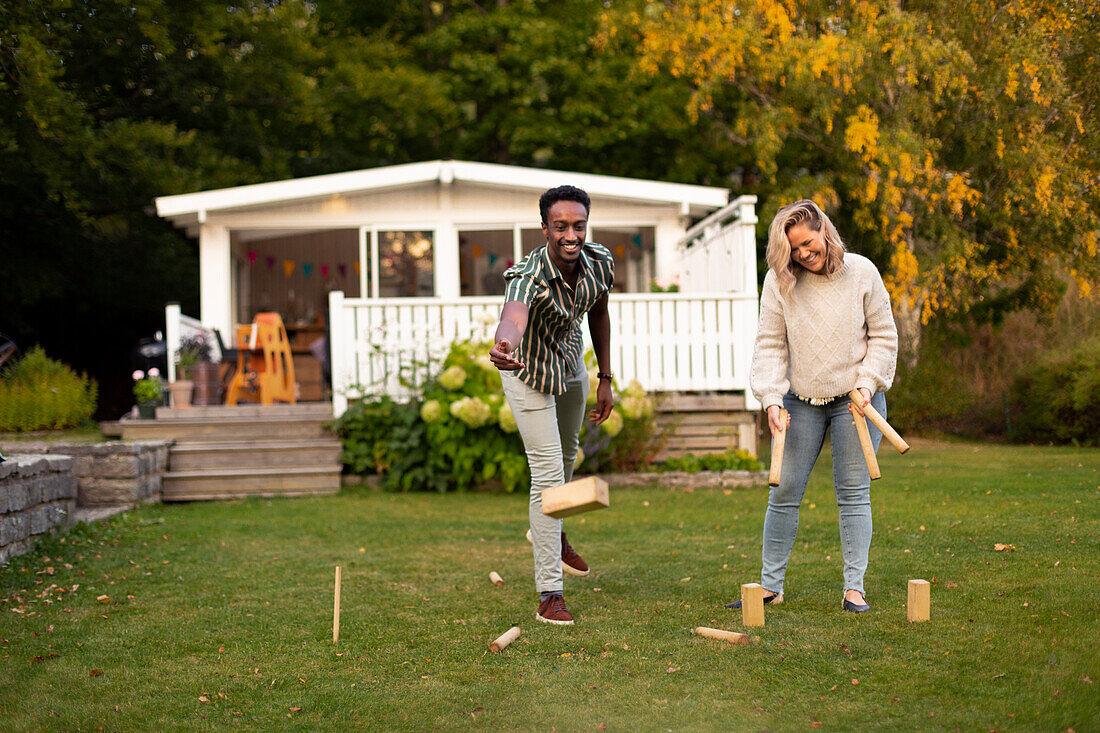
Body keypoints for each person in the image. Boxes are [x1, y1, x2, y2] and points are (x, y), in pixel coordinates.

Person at [728, 199, 898, 613]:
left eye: (808, 242)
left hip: (856, 400)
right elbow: (770, 344)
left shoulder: (862, 272)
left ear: (824, 230)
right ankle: (771, 586)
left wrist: (867, 384)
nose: (804, 253)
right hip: (798, 401)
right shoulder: (779, 281)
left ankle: (854, 588)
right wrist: (770, 398)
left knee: (853, 494)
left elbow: (884, 335)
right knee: (783, 491)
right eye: (793, 249)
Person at [489, 185, 615, 626]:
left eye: (578, 225)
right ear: (545, 228)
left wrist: (605, 377)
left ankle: (552, 531)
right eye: (560, 226)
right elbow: (514, 315)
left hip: (568, 361)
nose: (570, 234)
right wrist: (504, 343)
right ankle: (549, 593)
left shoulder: (600, 261)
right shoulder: (527, 275)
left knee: (566, 457)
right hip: (525, 369)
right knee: (546, 476)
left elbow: (598, 312)